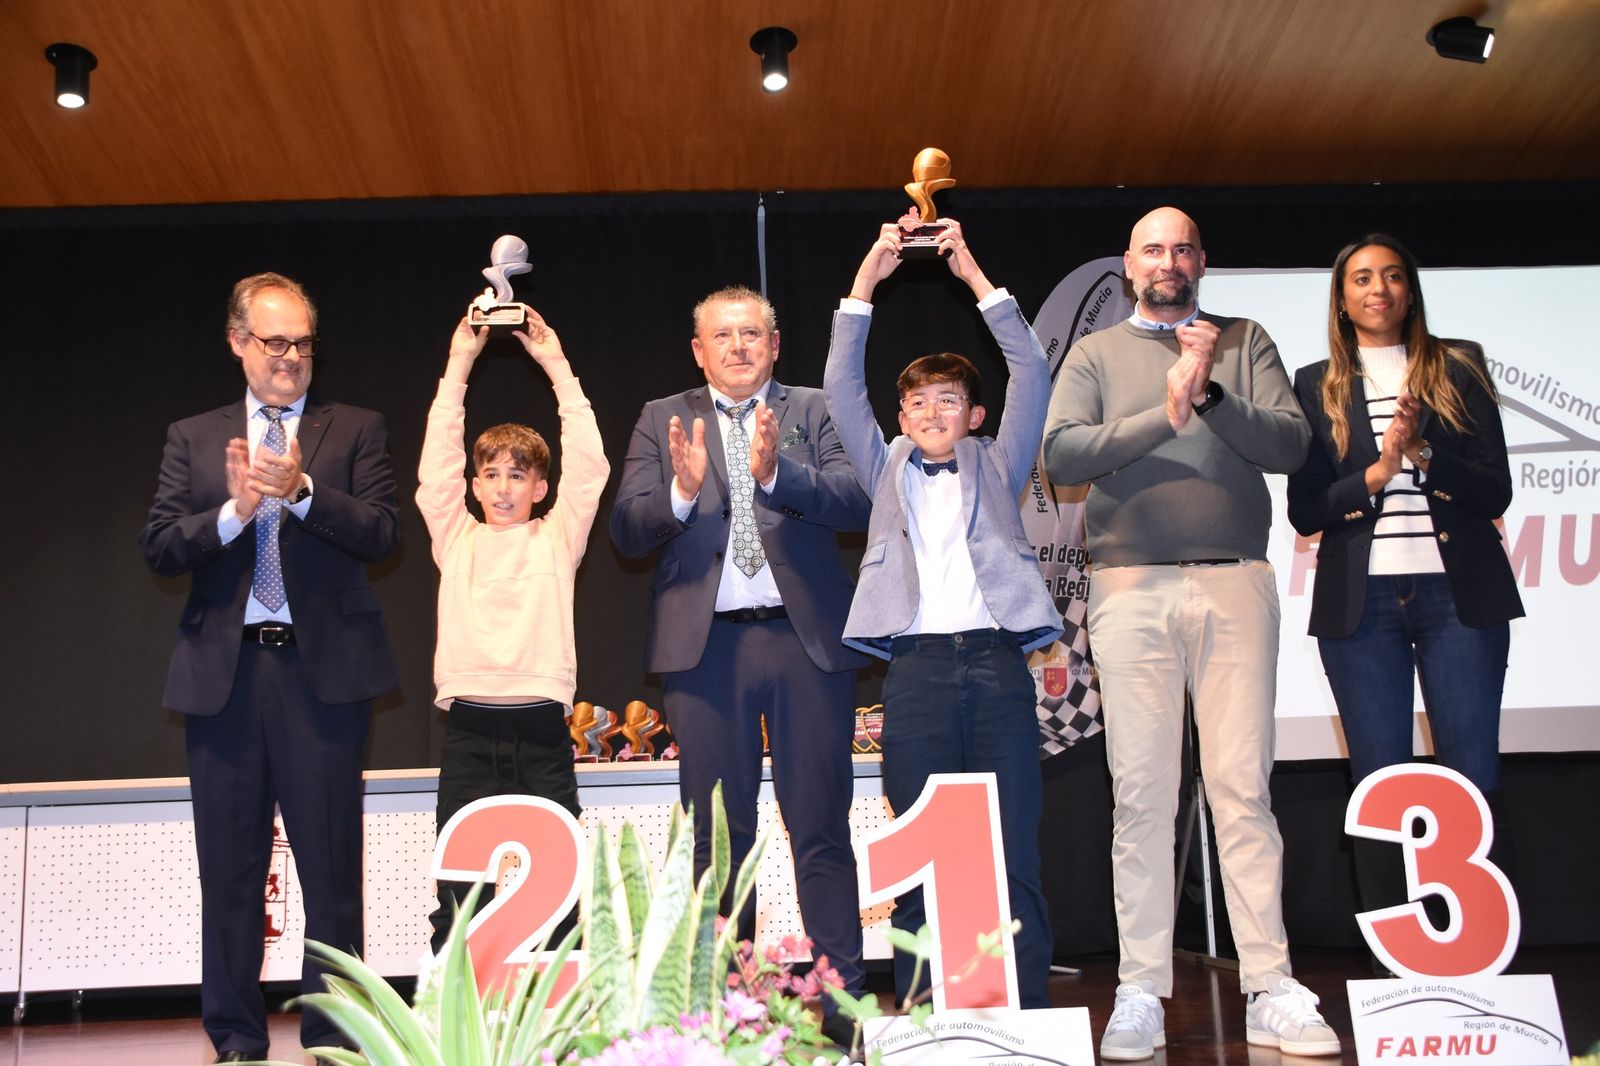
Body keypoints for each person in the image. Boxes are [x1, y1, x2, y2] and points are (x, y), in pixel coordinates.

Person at [1042, 208, 1340, 1059]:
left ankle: (1270, 986)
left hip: (1234, 581)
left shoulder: (1243, 339)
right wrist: (1165, 415)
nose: (1167, 261)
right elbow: (1062, 456)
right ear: (1130, 264)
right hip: (1129, 588)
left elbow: (1290, 443)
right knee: (1142, 795)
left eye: (1181, 248)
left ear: (1201, 261)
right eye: (1152, 249)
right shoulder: (1097, 354)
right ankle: (1139, 988)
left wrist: (1207, 391)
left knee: (1242, 788)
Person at [140, 273, 400, 1063]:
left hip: (322, 681)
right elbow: (160, 545)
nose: (289, 358)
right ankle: (237, 1041)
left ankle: (335, 1038)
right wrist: (236, 512)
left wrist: (305, 491)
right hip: (226, 680)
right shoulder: (193, 435)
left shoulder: (353, 428)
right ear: (238, 343)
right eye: (273, 341)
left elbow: (384, 533)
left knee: (331, 875)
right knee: (229, 874)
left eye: (302, 343)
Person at [609, 285, 870, 1035]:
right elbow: (628, 528)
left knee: (819, 824)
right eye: (722, 335)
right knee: (720, 839)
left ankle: (840, 1004)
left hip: (804, 641)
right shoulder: (663, 418)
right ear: (699, 349)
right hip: (706, 648)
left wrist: (775, 478)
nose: (738, 346)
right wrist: (683, 495)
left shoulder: (815, 409)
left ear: (775, 344)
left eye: (752, 333)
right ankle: (728, 1009)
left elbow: (860, 498)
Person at [821, 216, 1062, 1008]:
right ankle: (928, 1008)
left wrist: (972, 274)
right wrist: (866, 282)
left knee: (1012, 842)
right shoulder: (884, 465)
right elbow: (839, 388)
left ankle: (1021, 1010)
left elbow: (1029, 367)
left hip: (996, 665)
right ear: (901, 418)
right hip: (917, 673)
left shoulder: (999, 463)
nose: (930, 412)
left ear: (975, 416)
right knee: (919, 843)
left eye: (949, 400)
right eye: (917, 402)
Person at [1286, 234, 1522, 922]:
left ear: (1410, 290)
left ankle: (1481, 937)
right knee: (1380, 782)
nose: (1378, 289)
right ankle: (1398, 952)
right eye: (1362, 279)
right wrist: (1377, 474)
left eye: (1392, 277)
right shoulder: (1314, 383)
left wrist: (1422, 453)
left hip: (1460, 597)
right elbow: (1306, 511)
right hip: (1364, 608)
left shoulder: (1459, 368)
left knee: (1473, 769)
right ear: (1343, 297)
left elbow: (1495, 492)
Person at [416, 307, 609, 952]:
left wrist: (554, 361)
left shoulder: (557, 537)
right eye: (491, 475)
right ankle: (451, 1023)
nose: (503, 488)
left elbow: (591, 462)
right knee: (458, 887)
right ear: (473, 486)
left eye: (517, 475)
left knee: (560, 882)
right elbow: (437, 459)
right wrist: (459, 361)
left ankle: (557, 1025)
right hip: (469, 727)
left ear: (540, 486)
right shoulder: (455, 535)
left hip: (541, 731)